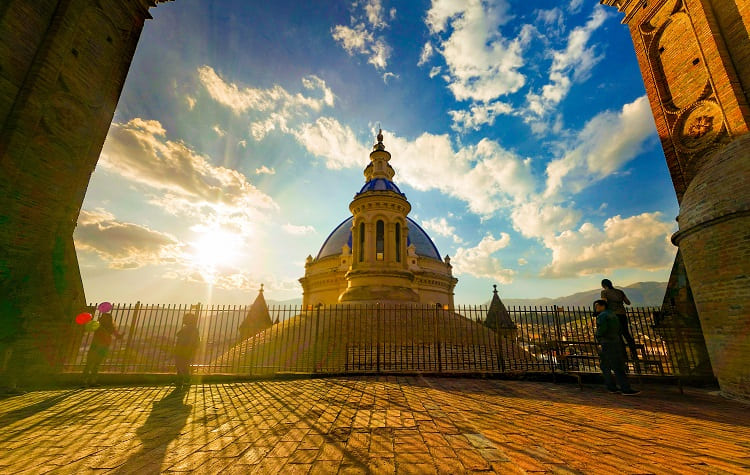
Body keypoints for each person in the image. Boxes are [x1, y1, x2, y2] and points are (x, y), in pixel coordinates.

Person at [594, 299, 639, 395]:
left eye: (597, 306)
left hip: (607, 343)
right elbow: (619, 328)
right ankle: (620, 387)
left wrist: (598, 337)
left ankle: (618, 388)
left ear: (603, 306)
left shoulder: (602, 316)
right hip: (615, 341)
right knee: (614, 365)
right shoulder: (613, 314)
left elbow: (602, 329)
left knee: (609, 366)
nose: (596, 308)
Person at [600, 279, 638, 361]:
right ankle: (634, 354)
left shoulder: (604, 293)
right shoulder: (620, 291)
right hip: (622, 314)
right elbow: (628, 302)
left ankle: (624, 355)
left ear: (603, 285)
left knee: (618, 335)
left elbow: (604, 304)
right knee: (627, 334)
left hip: (613, 316)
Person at [82, 313, 122, 386]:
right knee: (90, 363)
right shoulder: (98, 325)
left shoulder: (110, 327)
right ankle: (86, 381)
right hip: (98, 346)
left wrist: (120, 336)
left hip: (102, 346)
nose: (104, 319)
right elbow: (89, 328)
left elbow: (117, 336)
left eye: (106, 317)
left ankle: (91, 381)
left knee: (95, 364)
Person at [174, 313, 200, 388]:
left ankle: (186, 380)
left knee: (183, 365)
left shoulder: (192, 329)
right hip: (181, 349)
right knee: (180, 365)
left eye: (185, 318)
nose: (183, 320)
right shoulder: (187, 328)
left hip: (185, 349)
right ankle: (180, 380)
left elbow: (194, 340)